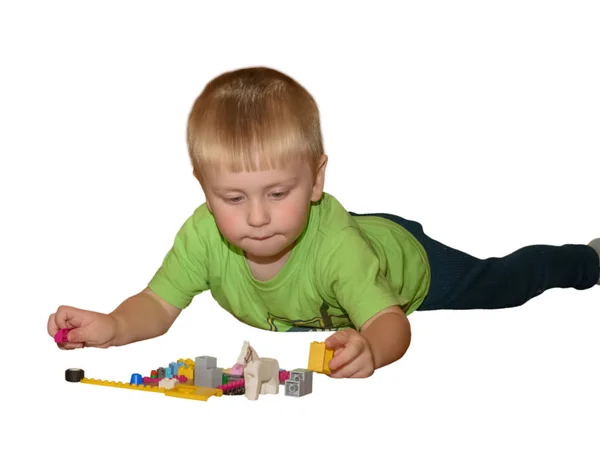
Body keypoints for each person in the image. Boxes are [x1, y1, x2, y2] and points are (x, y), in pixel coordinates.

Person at [47, 67, 600, 379]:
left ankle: (585, 259)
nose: (258, 217)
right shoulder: (202, 236)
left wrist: (373, 349)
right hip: (355, 240)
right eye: (233, 197)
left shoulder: (336, 250)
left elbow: (391, 323)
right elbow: (158, 304)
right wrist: (114, 326)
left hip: (406, 263)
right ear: (204, 190)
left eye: (278, 193)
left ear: (316, 181)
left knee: (500, 285)